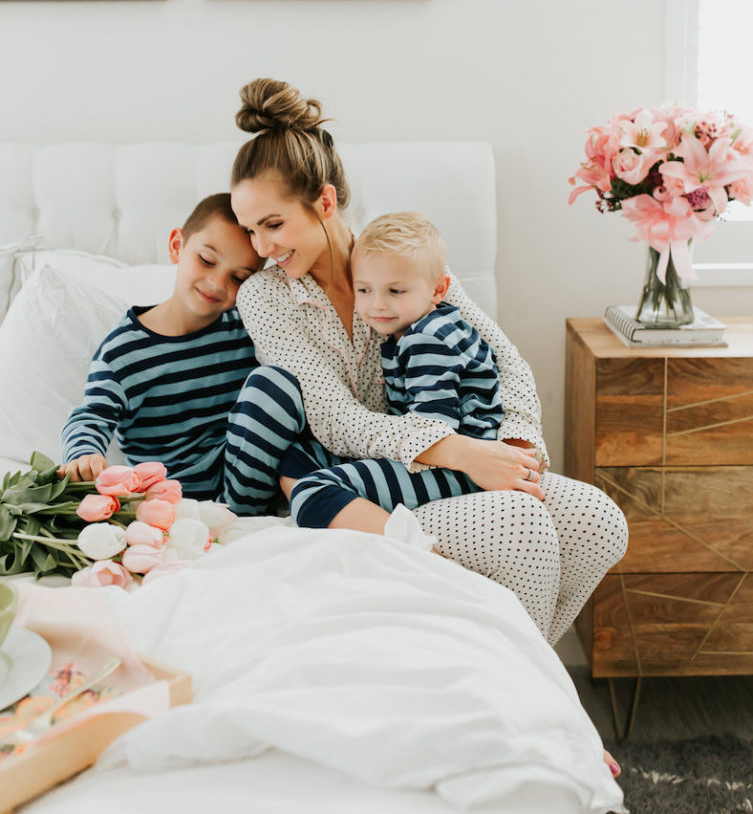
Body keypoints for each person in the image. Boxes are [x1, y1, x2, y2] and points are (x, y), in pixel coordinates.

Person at [227, 77, 628, 656]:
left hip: (452, 470)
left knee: (599, 524)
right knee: (525, 526)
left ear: (324, 202)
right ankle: (539, 706)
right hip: (363, 481)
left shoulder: (400, 259)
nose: (261, 246)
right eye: (249, 230)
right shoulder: (264, 298)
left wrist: (514, 448)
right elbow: (336, 419)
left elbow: (505, 360)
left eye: (273, 224)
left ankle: (523, 682)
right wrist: (462, 451)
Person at [59, 194, 280, 510]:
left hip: (246, 480)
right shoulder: (123, 352)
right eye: (206, 260)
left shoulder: (246, 330)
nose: (217, 283)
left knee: (273, 384)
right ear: (177, 245)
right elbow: (91, 415)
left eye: (238, 278)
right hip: (171, 498)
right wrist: (84, 454)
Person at [288, 210, 506, 528]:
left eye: (395, 291)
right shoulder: (423, 327)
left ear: (437, 290)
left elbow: (434, 431)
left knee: (312, 491)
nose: (377, 304)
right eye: (364, 290)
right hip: (446, 458)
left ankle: (420, 555)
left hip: (460, 471)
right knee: (302, 453)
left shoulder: (427, 340)